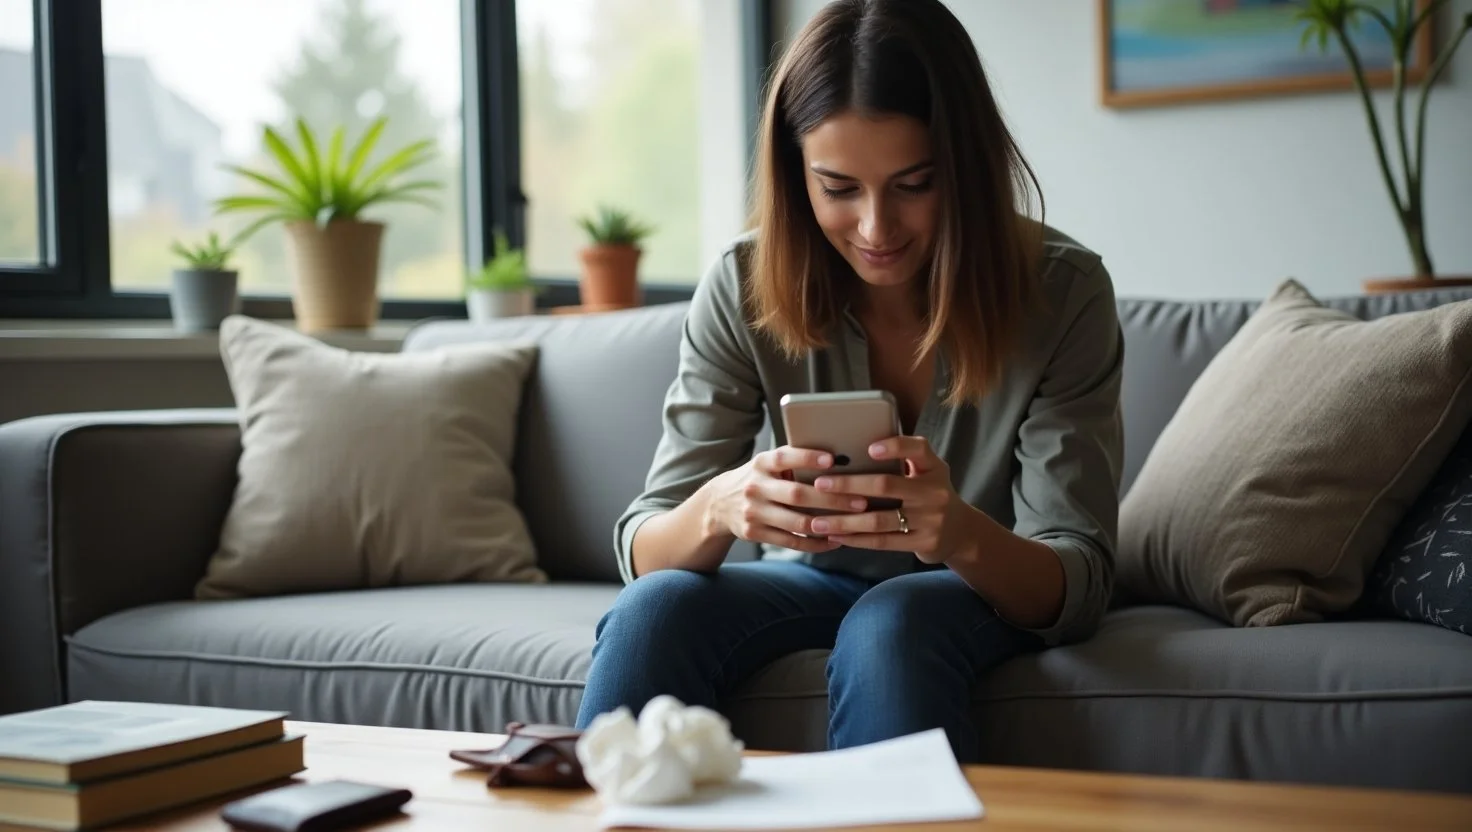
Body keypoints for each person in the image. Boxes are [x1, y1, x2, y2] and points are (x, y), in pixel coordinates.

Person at [573, 0, 1124, 764]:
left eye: (914, 184)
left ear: (963, 166)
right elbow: (645, 549)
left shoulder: (1063, 294)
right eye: (839, 188)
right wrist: (721, 505)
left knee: (892, 620)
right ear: (797, 176)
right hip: (808, 580)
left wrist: (956, 529)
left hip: (974, 585)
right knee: (653, 610)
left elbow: (1078, 581)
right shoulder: (741, 284)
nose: (875, 228)